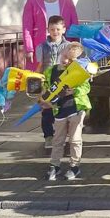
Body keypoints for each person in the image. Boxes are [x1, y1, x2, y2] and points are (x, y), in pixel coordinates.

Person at [43, 42, 92, 181]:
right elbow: (46, 86)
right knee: (58, 139)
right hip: (59, 109)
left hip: (75, 108)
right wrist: (44, 99)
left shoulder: (79, 72)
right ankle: (54, 165)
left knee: (75, 139)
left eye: (71, 60)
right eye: (64, 56)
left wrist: (75, 91)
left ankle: (75, 166)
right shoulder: (51, 71)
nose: (66, 61)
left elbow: (86, 87)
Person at [22, 0, 78, 71]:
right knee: (42, 76)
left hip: (64, 45)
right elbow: (27, 27)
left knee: (64, 74)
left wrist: (75, 46)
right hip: (42, 47)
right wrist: (29, 49)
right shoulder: (32, 1)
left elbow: (74, 23)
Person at [37, 15, 69, 149]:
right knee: (47, 111)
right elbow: (39, 66)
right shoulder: (42, 47)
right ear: (48, 30)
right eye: (52, 29)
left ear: (64, 29)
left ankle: (62, 136)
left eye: (58, 29)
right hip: (48, 83)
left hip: (63, 82)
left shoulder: (68, 47)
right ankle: (48, 136)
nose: (55, 32)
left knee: (63, 110)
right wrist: (38, 85)